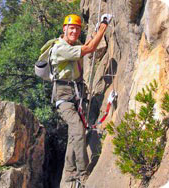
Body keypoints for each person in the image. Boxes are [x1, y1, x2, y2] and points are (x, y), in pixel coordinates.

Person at [50, 14, 112, 186]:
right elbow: (89, 49)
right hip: (64, 98)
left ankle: (69, 174)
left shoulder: (73, 44)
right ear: (64, 29)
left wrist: (95, 31)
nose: (75, 31)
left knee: (74, 136)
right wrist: (103, 26)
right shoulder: (60, 48)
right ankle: (83, 174)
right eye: (72, 28)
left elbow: (85, 46)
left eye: (77, 29)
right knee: (78, 130)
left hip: (76, 95)